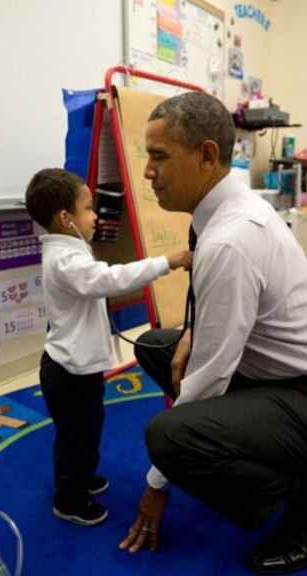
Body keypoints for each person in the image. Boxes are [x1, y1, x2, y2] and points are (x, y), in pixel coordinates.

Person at [118, 92, 307, 574]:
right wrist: (193, 329)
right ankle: (257, 459)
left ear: (206, 155)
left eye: (159, 158)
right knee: (159, 346)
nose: (147, 173)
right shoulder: (221, 212)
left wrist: (159, 481)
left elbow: (210, 376)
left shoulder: (230, 239)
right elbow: (219, 325)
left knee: (170, 437)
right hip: (293, 377)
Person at [25, 168, 192, 526]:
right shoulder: (66, 260)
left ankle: (82, 474)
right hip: (69, 373)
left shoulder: (69, 248)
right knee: (77, 439)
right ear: (65, 218)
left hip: (76, 367)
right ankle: (68, 500)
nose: (96, 215)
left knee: (86, 430)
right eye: (88, 208)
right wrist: (167, 262)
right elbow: (110, 279)